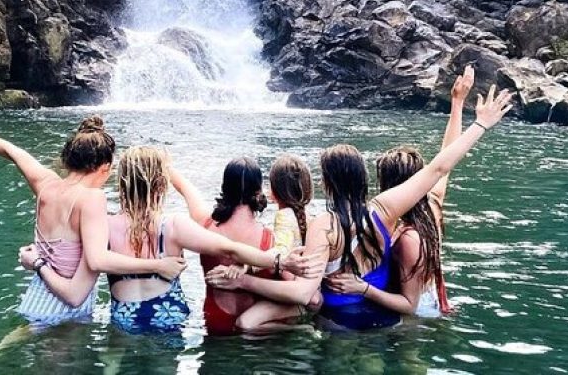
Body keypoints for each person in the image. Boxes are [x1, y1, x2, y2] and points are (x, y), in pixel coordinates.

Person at [205, 86, 512, 331]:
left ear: (327, 181)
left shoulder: (323, 225)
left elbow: (302, 294)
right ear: (363, 177)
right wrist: (480, 123)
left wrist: (243, 280)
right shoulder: (384, 210)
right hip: (384, 321)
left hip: (341, 325)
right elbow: (437, 169)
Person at [19, 147, 318, 334]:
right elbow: (228, 248)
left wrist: (40, 262)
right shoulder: (174, 226)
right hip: (171, 320)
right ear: (160, 184)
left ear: (122, 183)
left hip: (125, 321)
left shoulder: (103, 225)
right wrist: (278, 259)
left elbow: (76, 270)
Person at [0, 110, 187, 326]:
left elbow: (14, 152)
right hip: (64, 313)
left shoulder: (46, 185)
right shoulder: (92, 198)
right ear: (105, 167)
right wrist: (157, 265)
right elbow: (98, 260)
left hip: (34, 300)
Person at [327, 66, 475, 317]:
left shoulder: (407, 237)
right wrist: (457, 103)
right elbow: (445, 159)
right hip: (431, 304)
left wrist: (363, 288)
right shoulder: (431, 205)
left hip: (415, 316)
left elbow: (410, 305)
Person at [170, 156, 321, 335]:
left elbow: (185, 187)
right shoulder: (271, 241)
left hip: (214, 323)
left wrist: (162, 165)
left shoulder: (204, 225)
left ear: (224, 188)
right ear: (259, 193)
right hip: (255, 331)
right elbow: (305, 295)